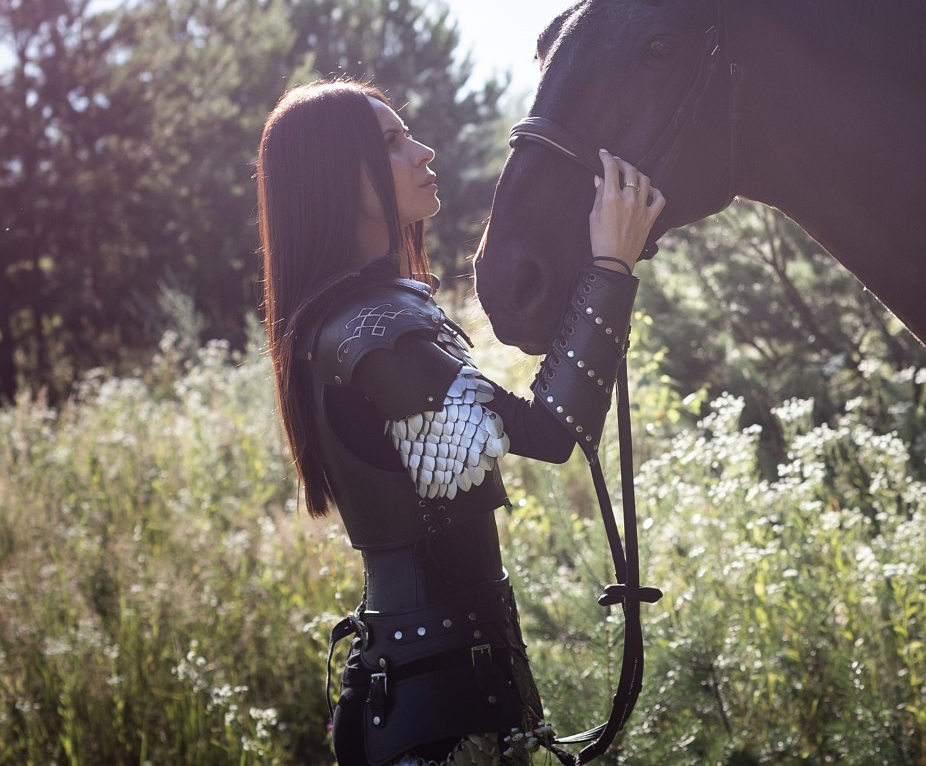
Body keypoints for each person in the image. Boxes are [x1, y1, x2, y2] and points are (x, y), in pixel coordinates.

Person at [256, 79, 664, 766]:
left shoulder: (357, 318)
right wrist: (610, 266)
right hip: (437, 714)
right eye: (391, 143)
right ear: (335, 175)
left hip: (435, 691)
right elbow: (551, 433)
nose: (423, 152)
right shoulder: (377, 332)